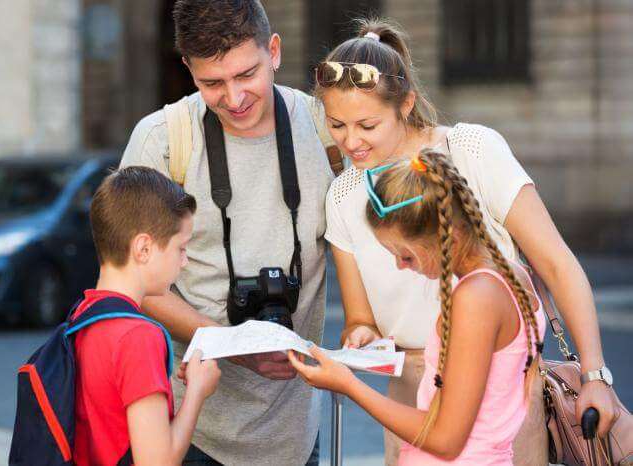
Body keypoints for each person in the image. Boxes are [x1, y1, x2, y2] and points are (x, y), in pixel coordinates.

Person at [316, 18, 618, 465]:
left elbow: (556, 263)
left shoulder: (472, 151)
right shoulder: (343, 196)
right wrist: (360, 334)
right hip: (412, 396)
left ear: (406, 105)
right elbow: (360, 318)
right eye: (337, 125)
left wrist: (596, 375)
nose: (351, 142)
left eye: (366, 125)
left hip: (501, 404)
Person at [119, 1, 334, 464]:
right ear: (187, 69)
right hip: (188, 432)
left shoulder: (328, 128)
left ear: (274, 51)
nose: (234, 99)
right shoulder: (161, 139)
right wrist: (236, 348)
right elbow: (131, 284)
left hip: (296, 435)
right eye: (212, 83)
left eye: (247, 75)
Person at [290, 149, 546, 464]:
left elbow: (445, 439)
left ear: (445, 236)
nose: (400, 266)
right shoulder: (510, 274)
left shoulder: (476, 297)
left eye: (406, 255)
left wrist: (348, 385)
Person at [73, 166, 221, 466]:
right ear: (143, 248)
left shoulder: (85, 315)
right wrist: (196, 392)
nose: (185, 261)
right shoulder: (139, 337)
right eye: (180, 248)